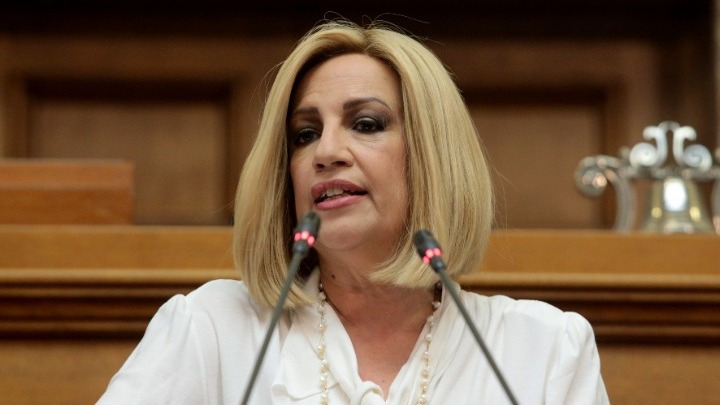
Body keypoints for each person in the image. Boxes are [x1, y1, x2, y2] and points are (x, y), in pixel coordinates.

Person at [97, 19, 610, 405]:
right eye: (305, 134)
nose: (325, 152)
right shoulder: (213, 330)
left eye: (365, 124)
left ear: (432, 156)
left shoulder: (543, 352)